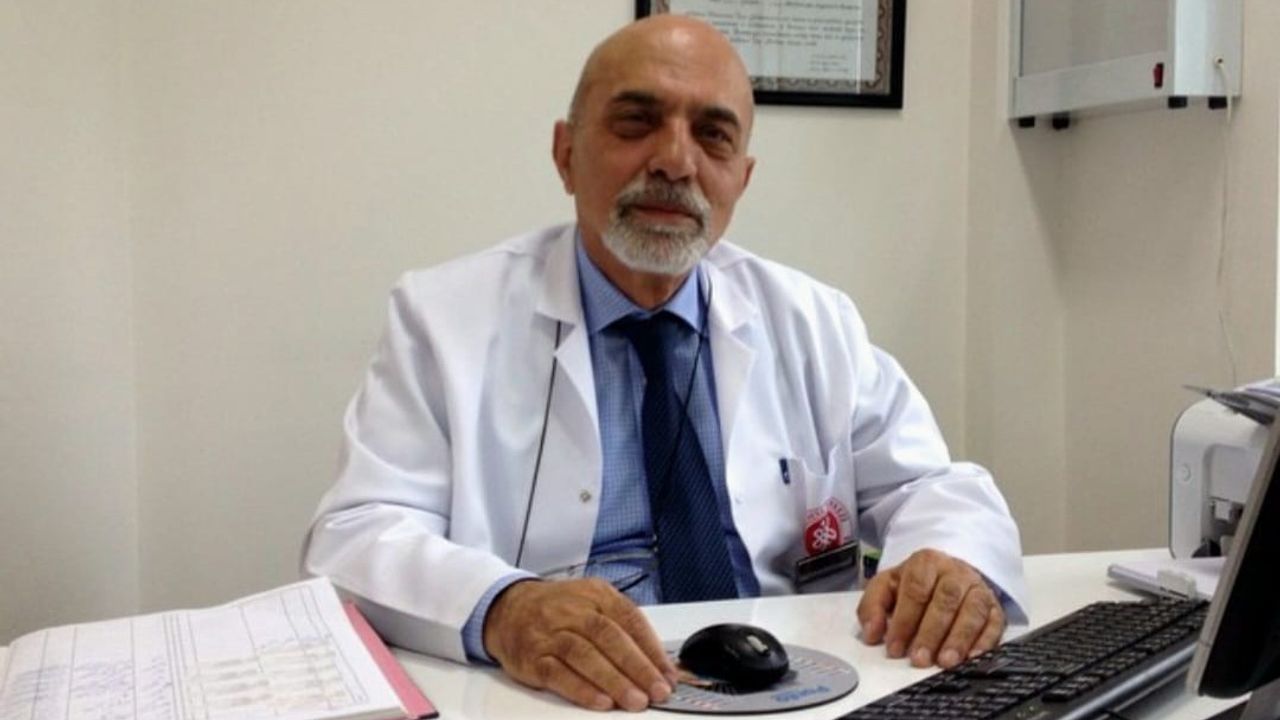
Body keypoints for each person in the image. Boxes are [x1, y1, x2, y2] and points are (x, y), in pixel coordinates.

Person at [302, 14, 1027, 713]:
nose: (676, 161)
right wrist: (503, 607)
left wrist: (948, 559)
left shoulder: (813, 319)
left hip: (793, 692)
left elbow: (933, 484)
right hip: (564, 699)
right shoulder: (443, 317)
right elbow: (354, 534)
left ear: (741, 178)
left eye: (713, 136)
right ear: (565, 154)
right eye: (636, 122)